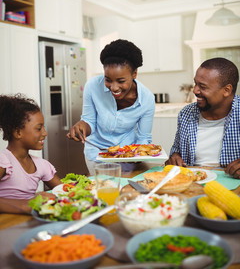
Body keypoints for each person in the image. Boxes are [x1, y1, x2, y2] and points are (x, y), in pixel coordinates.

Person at [67, 39, 155, 175]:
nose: (114, 87)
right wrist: (82, 126)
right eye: (108, 80)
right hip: (96, 153)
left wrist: (138, 157)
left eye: (121, 81)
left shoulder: (147, 99)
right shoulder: (92, 86)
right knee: (102, 191)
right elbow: (89, 121)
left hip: (127, 155)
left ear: (134, 74)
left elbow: (143, 138)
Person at [165, 57, 240, 179]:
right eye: (195, 84)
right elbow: (176, 151)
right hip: (193, 183)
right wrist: (175, 157)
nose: (195, 90)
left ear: (226, 90)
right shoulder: (186, 114)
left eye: (203, 87)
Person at [0, 94, 62, 214]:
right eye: (39, 128)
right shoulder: (4, 162)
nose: (45, 133)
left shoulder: (42, 165)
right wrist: (26, 204)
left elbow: (64, 191)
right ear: (18, 132)